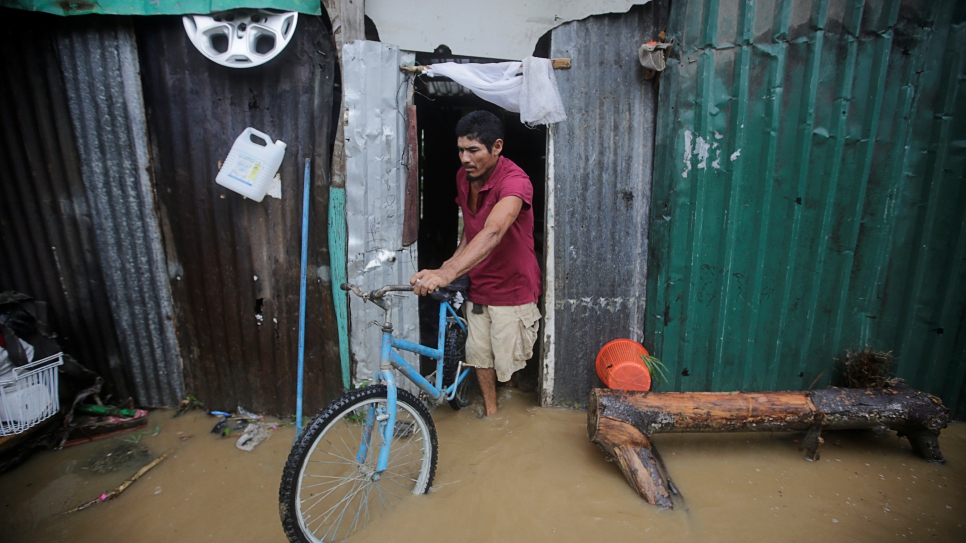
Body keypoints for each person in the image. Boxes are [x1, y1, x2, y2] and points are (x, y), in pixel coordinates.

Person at [410, 111, 541, 416]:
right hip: (479, 284)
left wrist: (449, 272)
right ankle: (493, 413)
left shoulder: (515, 182)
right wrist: (449, 265)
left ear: (496, 147)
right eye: (460, 150)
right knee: (480, 355)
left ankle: (512, 387)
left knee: (509, 363)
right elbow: (473, 230)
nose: (464, 158)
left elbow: (493, 231)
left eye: (473, 150)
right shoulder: (463, 178)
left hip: (513, 287)